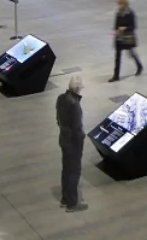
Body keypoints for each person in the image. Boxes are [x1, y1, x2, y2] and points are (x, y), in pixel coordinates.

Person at [56, 75, 86, 212]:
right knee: (74, 171)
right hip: (73, 143)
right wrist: (81, 138)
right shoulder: (75, 105)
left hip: (63, 139)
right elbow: (77, 127)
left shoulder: (61, 98)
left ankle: (65, 198)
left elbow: (58, 119)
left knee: (66, 170)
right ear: (78, 88)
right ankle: (72, 203)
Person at [109, 0, 142, 81]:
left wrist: (125, 28)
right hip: (119, 37)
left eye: (121, 4)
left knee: (131, 53)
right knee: (117, 57)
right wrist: (116, 31)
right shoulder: (118, 13)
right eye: (119, 4)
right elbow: (116, 25)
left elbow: (133, 27)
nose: (119, 6)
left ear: (125, 5)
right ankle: (116, 76)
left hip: (128, 37)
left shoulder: (130, 14)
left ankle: (139, 65)